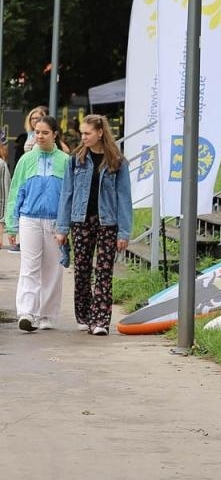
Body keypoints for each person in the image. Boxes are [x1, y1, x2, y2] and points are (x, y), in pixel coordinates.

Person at [55, 113, 132, 336]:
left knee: (104, 272)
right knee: (82, 270)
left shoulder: (117, 161)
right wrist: (62, 228)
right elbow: (66, 194)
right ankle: (84, 315)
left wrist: (124, 232)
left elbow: (124, 198)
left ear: (100, 133)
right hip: (80, 221)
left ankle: (100, 321)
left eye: (87, 133)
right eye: (82, 133)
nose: (83, 137)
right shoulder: (76, 159)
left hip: (108, 223)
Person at [7, 115, 68, 332]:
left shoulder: (65, 161)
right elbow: (15, 191)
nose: (40, 137)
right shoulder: (26, 160)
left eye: (44, 133)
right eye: (37, 133)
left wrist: (66, 224)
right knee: (29, 267)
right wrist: (11, 223)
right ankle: (26, 313)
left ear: (55, 135)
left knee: (53, 269)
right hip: (29, 218)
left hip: (55, 220)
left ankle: (47, 315)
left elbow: (68, 195)